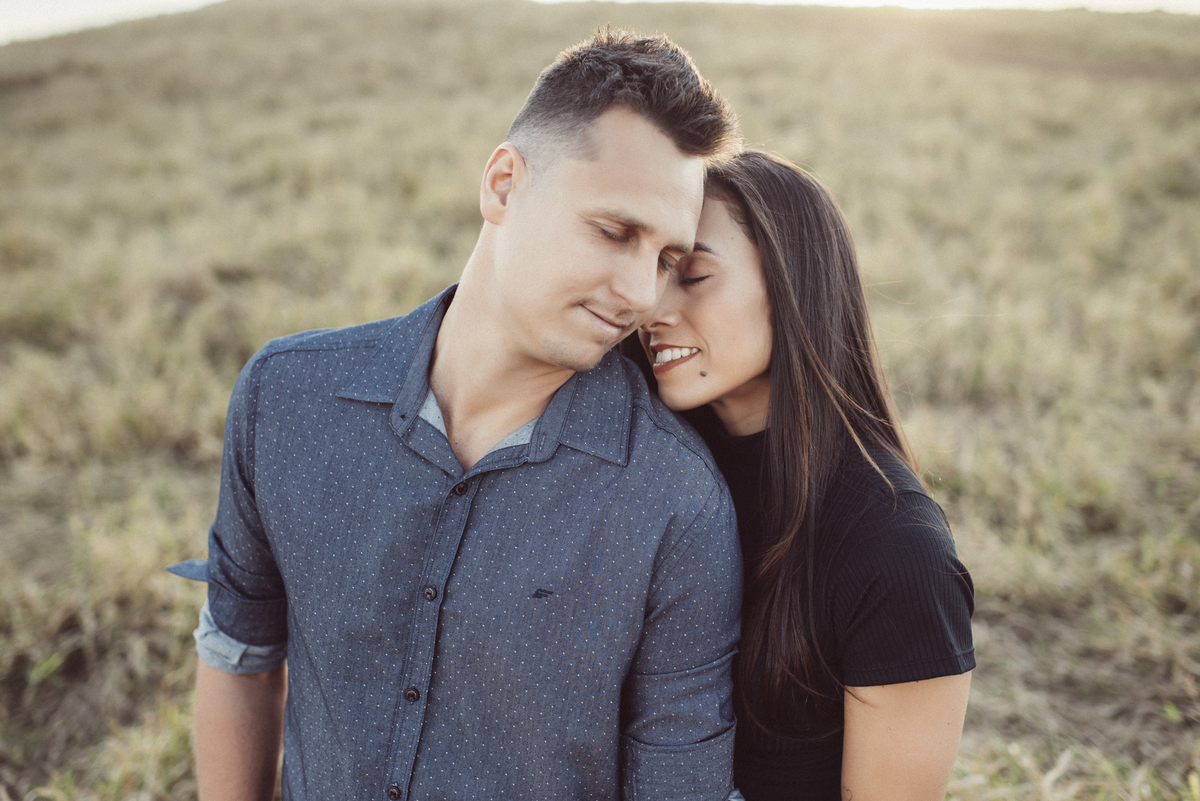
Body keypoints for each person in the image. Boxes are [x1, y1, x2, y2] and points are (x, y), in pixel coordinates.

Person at [168, 30, 745, 801]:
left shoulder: (677, 502)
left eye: (669, 258)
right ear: (504, 184)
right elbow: (238, 650)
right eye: (615, 232)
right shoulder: (285, 399)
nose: (642, 293)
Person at [628, 150, 975, 800]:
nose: (652, 306)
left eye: (695, 274)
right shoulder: (645, 469)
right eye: (654, 271)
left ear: (794, 285)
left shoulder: (897, 554)